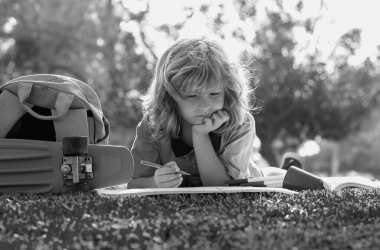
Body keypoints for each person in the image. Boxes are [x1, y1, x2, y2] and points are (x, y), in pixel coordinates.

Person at [127, 38, 285, 189]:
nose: (205, 106)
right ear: (169, 97)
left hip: (254, 177)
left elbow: (222, 188)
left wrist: (200, 135)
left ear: (228, 90)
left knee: (275, 176)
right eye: (192, 96)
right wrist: (155, 182)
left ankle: (287, 166)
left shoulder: (240, 124)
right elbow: (133, 184)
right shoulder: (153, 125)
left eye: (214, 94)